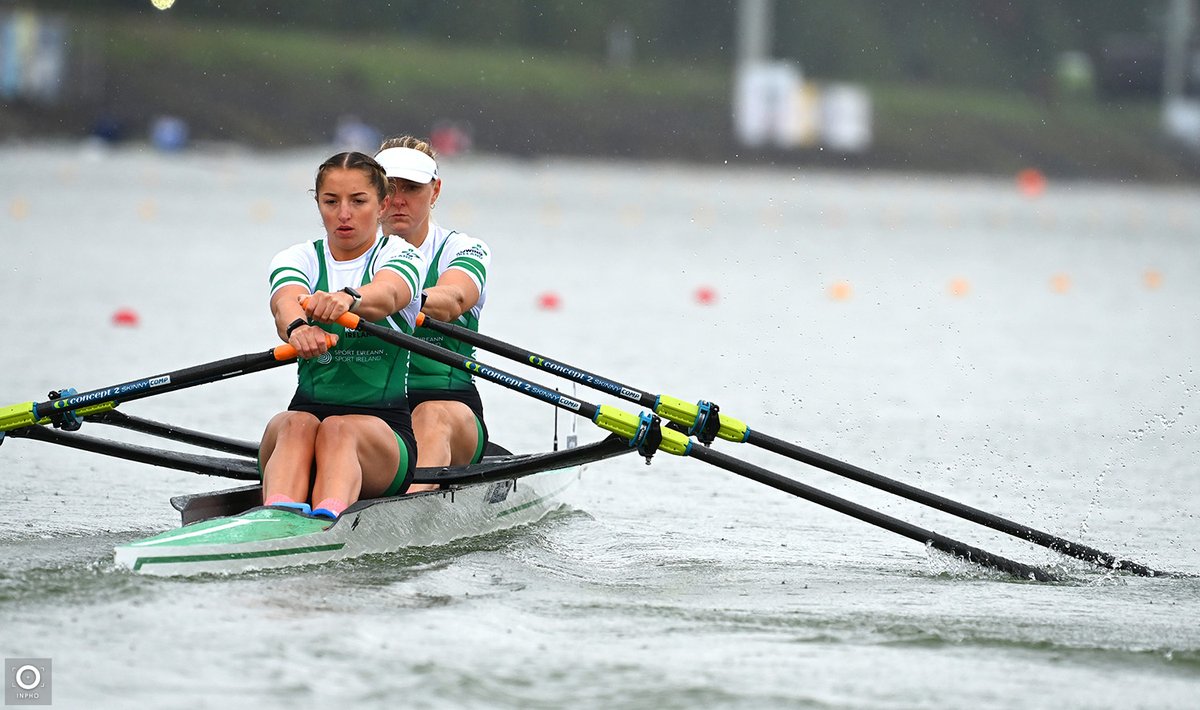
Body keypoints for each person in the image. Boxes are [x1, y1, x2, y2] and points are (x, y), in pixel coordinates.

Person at [259, 151, 427, 519]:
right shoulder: (298, 257)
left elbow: (389, 294)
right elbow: (285, 302)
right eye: (331, 202)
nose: (344, 214)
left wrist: (347, 299)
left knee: (338, 429)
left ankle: (324, 523)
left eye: (358, 201)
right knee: (292, 423)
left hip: (383, 435)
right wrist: (298, 329)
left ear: (383, 205)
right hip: (303, 424)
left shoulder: (402, 255)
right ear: (318, 204)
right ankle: (276, 517)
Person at [374, 136, 492, 492]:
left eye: (411, 188)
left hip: (449, 408)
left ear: (435, 191)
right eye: (388, 188)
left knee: (431, 416)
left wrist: (396, 298)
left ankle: (404, 515)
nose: (397, 200)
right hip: (374, 412)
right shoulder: (345, 256)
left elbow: (455, 298)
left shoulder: (461, 249)